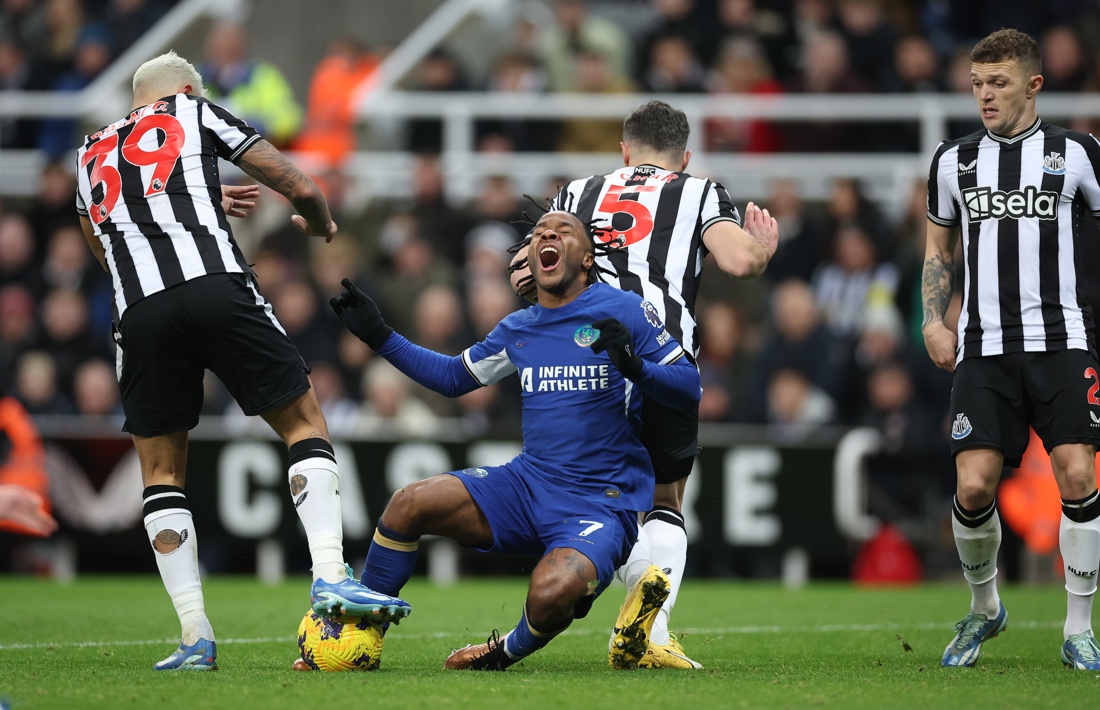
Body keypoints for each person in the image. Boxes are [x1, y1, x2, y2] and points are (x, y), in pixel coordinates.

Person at [73, 51, 409, 672]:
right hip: (215, 284)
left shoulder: (90, 152)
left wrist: (185, 214)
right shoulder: (191, 110)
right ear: (183, 89)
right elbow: (295, 182)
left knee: (162, 472)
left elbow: (105, 240)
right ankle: (331, 576)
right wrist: (320, 221)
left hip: (139, 312)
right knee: (304, 423)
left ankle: (194, 636)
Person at [327, 209, 701, 671]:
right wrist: (379, 336)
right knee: (408, 503)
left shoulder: (622, 310)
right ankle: (359, 641)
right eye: (539, 232)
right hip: (528, 485)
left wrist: (637, 368)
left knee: (551, 591)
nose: (547, 235)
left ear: (586, 258)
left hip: (601, 503)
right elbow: (451, 377)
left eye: (563, 231)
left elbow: (689, 386)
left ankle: (503, 652)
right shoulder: (520, 328)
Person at [548, 100, 778, 669]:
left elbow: (529, 270)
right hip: (663, 357)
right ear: (685, 156)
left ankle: (611, 588)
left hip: (581, 360)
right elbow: (739, 262)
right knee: (666, 501)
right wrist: (763, 248)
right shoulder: (699, 191)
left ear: (623, 150)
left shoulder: (577, 191)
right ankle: (651, 634)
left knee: (596, 494)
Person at [923, 28, 1100, 671]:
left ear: (1034, 85)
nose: (984, 95)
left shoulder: (1078, 153)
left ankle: (1078, 626)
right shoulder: (954, 160)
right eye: (976, 83)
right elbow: (938, 250)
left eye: (998, 83)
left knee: (1078, 474)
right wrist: (932, 320)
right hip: (984, 345)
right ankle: (984, 608)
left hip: (1061, 340)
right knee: (973, 487)